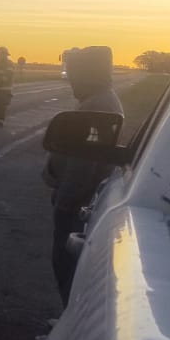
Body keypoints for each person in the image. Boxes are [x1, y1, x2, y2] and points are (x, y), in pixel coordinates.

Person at [42, 46, 123, 306]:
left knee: (66, 264)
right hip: (84, 198)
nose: (71, 82)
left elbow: (82, 162)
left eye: (75, 74)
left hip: (76, 203)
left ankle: (68, 322)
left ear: (89, 75)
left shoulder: (96, 107)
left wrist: (65, 203)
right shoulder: (101, 101)